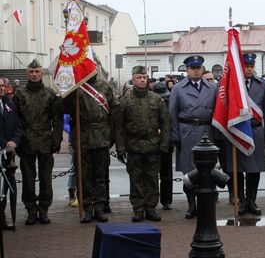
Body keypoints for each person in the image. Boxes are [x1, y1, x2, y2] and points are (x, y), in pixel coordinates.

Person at [116, 66, 170, 222]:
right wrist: (120, 148)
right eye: (139, 77)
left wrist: (164, 144)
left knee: (152, 178)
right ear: (133, 79)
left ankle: (151, 207)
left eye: (144, 77)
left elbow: (165, 122)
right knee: (136, 178)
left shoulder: (155, 99)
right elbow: (118, 126)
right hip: (133, 145)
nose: (142, 80)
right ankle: (138, 208)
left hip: (153, 144)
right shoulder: (125, 100)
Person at [63, 74, 119, 223]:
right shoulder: (76, 87)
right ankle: (87, 208)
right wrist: (69, 93)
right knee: (84, 176)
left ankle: (100, 208)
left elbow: (114, 112)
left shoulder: (105, 86)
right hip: (83, 137)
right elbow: (66, 109)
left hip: (101, 137)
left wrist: (111, 136)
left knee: (100, 176)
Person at [14, 59, 63, 225]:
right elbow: (16, 120)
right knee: (28, 178)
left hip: (45, 141)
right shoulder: (19, 94)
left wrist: (57, 139)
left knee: (45, 178)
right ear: (27, 74)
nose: (34, 75)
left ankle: (43, 209)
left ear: (42, 73)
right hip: (26, 141)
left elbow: (57, 119)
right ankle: (30, 210)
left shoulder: (50, 94)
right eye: (31, 72)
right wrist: (17, 141)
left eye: (37, 72)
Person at [169, 55, 217, 219]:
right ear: (187, 70)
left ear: (202, 69)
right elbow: (172, 114)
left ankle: (206, 204)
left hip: (206, 131)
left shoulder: (211, 88)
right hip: (187, 131)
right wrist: (175, 136)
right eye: (193, 68)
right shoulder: (178, 89)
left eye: (199, 68)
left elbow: (217, 113)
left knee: (208, 171)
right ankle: (191, 205)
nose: (196, 70)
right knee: (189, 172)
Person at [226, 53, 265, 215]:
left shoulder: (263, 85)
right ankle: (242, 201)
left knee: (254, 169)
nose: (250, 69)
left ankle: (252, 200)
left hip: (256, 130)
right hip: (238, 131)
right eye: (246, 66)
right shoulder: (233, 85)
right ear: (241, 67)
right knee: (238, 169)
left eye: (252, 66)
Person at [0, 78, 22, 230]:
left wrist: (14, 141)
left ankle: (3, 218)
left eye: (2, 85)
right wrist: (4, 143)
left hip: (9, 154)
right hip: (1, 149)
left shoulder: (10, 104)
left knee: (5, 188)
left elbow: (18, 126)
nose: (2, 88)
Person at [152, 82, 173, 210]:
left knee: (166, 174)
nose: (163, 99)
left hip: (166, 142)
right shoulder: (150, 103)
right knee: (152, 174)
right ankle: (152, 201)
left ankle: (166, 200)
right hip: (152, 143)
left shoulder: (170, 103)